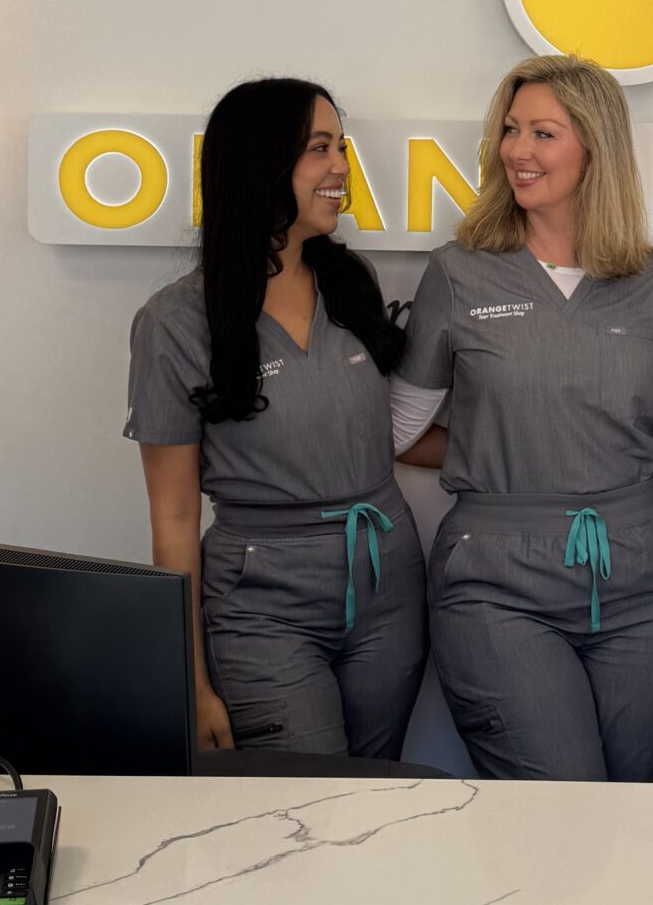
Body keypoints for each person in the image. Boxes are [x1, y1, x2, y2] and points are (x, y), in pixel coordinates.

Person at [392, 53, 653, 782]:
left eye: (543, 133)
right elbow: (398, 432)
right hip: (498, 585)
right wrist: (509, 449)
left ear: (596, 147)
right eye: (510, 130)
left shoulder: (652, 278)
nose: (517, 151)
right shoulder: (459, 272)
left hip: (646, 585)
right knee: (558, 807)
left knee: (644, 807)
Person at [128, 79, 428, 759]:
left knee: (381, 791)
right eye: (320, 149)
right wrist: (190, 678)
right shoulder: (175, 323)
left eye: (341, 147)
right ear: (262, 163)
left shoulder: (351, 283)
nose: (341, 168)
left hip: (388, 586)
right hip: (262, 606)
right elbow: (173, 516)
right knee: (306, 801)